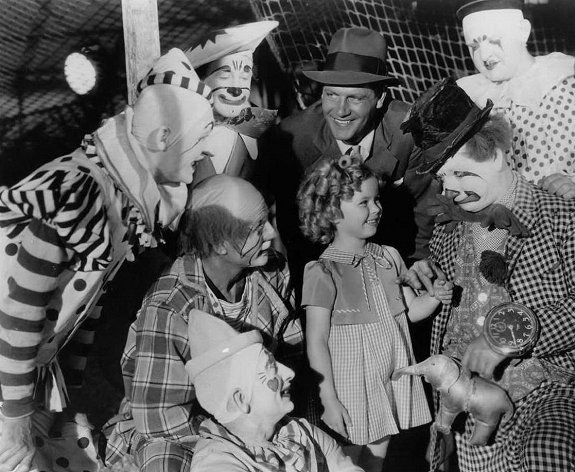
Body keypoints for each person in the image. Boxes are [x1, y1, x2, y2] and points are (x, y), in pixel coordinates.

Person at [0, 48, 214, 472]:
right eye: (200, 139)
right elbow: (19, 310)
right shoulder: (79, 191)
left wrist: (66, 394)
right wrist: (16, 414)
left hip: (24, 372)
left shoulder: (124, 202)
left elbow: (83, 307)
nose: (205, 153)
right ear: (162, 138)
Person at [454, 1, 575, 469]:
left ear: (523, 31)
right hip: (511, 253)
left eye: (493, 38)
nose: (484, 51)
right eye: (474, 43)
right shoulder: (470, 96)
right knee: (513, 364)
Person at [401, 80, 575, 471]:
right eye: (442, 177)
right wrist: (428, 278)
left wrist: (506, 338)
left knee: (547, 458)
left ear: (497, 153)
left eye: (461, 173)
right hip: (472, 403)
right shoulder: (446, 230)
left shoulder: (562, 215)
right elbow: (447, 306)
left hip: (551, 388)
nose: (451, 189)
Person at [103, 174, 303, 471]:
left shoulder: (271, 272)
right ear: (220, 244)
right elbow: (161, 418)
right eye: (257, 227)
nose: (272, 232)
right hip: (182, 432)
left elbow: (292, 353)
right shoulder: (170, 306)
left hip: (259, 412)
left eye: (268, 221)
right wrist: (232, 444)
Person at [297, 155, 452, 472]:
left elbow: (410, 311)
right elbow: (316, 341)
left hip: (387, 380)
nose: (377, 208)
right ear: (332, 213)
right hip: (349, 388)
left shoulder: (388, 257)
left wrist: (434, 297)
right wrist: (329, 399)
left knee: (376, 460)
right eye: (364, 203)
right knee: (345, 462)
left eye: (377, 199)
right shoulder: (322, 271)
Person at [258, 26, 435, 301]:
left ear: (381, 98)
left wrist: (413, 270)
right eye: (331, 95)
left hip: (396, 261)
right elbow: (294, 228)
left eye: (354, 98)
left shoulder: (409, 132)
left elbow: (424, 212)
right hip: (323, 268)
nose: (340, 111)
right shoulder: (293, 139)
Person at [183, 309, 362, 472]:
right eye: (271, 368)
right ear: (240, 399)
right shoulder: (217, 464)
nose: (289, 373)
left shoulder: (303, 432)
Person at [184, 21, 279, 185]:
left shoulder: (263, 130)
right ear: (199, 80)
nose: (236, 89)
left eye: (244, 76)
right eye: (225, 76)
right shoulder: (181, 127)